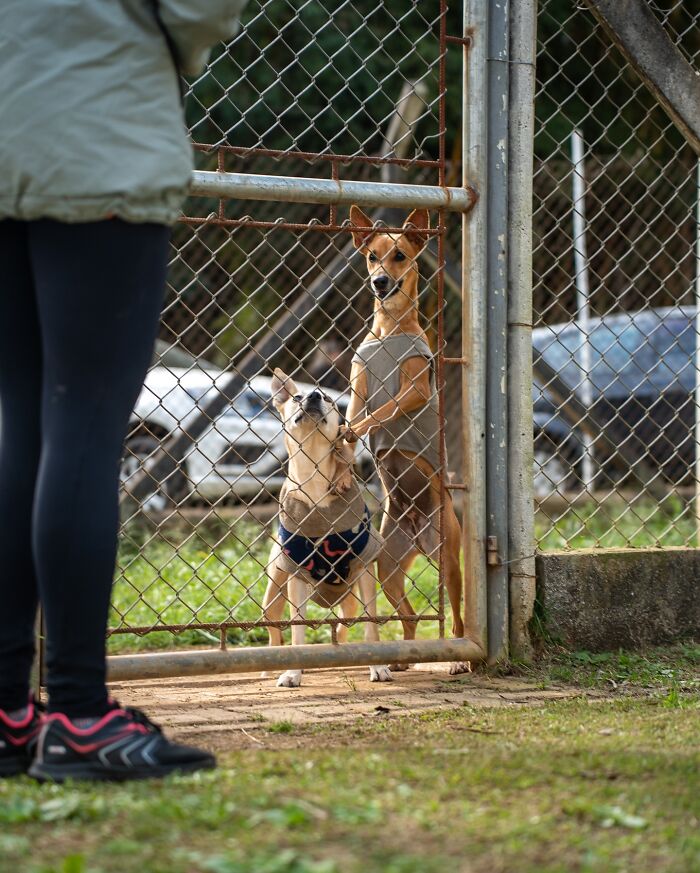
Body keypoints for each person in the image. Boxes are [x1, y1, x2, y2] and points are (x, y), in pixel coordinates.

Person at [0, 0, 246, 782]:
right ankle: (76, 714)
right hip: (94, 130)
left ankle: (7, 712)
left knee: (23, 429)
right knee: (84, 417)